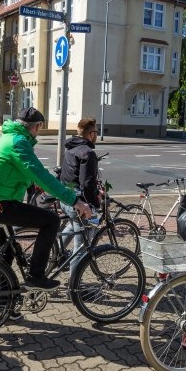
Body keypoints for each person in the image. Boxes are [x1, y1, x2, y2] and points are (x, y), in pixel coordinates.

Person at [0, 107, 91, 291]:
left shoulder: (10, 136)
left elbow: (22, 171)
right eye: (39, 127)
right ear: (36, 126)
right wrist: (74, 200)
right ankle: (36, 277)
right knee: (51, 221)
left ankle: (4, 306)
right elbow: (41, 175)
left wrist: (33, 184)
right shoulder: (19, 142)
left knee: (7, 254)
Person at [59, 118, 101, 277]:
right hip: (79, 203)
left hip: (66, 199)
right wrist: (95, 204)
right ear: (91, 134)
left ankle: (55, 258)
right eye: (96, 132)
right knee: (82, 246)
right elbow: (87, 184)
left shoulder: (70, 149)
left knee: (71, 227)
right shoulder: (88, 153)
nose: (97, 135)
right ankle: (74, 285)